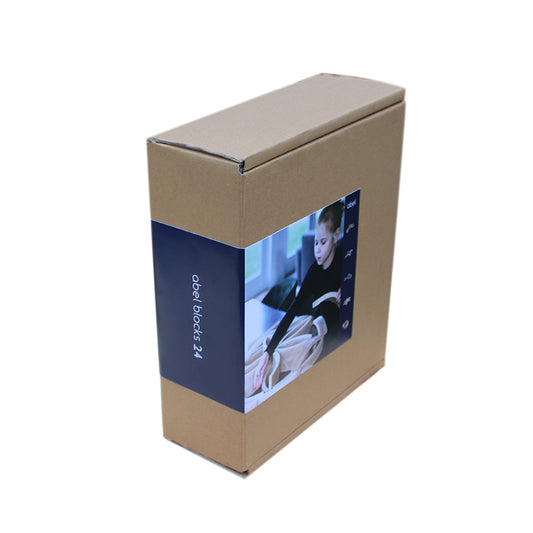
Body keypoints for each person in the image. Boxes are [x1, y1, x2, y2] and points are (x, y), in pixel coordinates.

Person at [254, 200, 345, 389]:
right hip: (322, 330)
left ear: (336, 236)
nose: (317, 249)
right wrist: (269, 352)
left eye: (323, 242)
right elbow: (292, 311)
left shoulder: (345, 259)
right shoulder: (314, 273)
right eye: (315, 243)